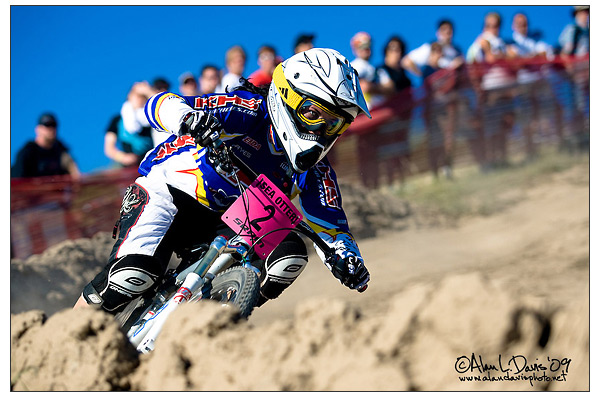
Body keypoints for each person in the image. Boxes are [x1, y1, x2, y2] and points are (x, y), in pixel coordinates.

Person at [73, 48, 371, 314]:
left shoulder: (316, 169)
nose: (322, 130)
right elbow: (157, 104)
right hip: (169, 194)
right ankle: (67, 335)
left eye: (334, 123)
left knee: (288, 258)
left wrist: (348, 260)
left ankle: (219, 323)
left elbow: (333, 230)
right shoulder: (249, 109)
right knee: (132, 275)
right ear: (288, 96)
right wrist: (187, 119)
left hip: (228, 223)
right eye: (314, 114)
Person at [402, 19, 464, 179]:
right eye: (444, 30)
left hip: (449, 103)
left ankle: (446, 168)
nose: (447, 34)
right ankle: (435, 170)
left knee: (449, 135)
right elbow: (407, 61)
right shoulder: (428, 51)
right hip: (432, 107)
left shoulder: (456, 51)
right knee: (434, 138)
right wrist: (422, 76)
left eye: (449, 30)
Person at [466, 12, 516, 170]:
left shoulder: (502, 43)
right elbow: (479, 64)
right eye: (488, 25)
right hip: (488, 93)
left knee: (505, 126)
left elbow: (513, 59)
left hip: (506, 91)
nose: (492, 29)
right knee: (491, 128)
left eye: (495, 25)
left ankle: (502, 159)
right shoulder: (478, 44)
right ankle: (491, 162)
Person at [12, 113, 80, 179]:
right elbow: (18, 181)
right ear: (38, 129)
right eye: (47, 125)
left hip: (56, 189)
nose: (51, 129)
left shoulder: (62, 152)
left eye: (53, 125)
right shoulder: (27, 153)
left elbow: (76, 176)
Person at [349, 31, 379, 109]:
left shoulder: (370, 67)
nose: (366, 50)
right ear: (355, 49)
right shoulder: (357, 65)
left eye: (368, 47)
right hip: (364, 108)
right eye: (362, 47)